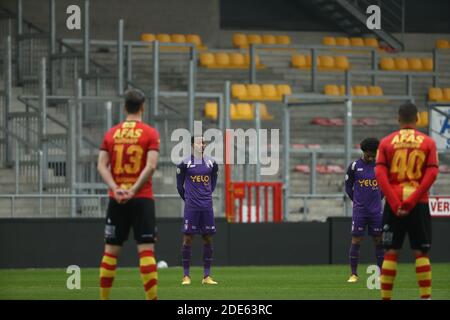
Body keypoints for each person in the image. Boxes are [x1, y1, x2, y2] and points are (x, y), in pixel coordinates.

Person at [97, 89, 160, 300]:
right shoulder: (150, 133)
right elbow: (151, 166)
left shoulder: (111, 133)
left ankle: (104, 298)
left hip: (117, 199)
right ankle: (152, 299)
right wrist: (133, 190)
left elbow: (101, 165)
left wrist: (115, 188)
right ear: (143, 107)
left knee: (110, 253)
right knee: (146, 252)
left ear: (125, 107)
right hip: (141, 198)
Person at [375, 102, 439, 300]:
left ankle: (386, 298)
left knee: (390, 252)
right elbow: (432, 172)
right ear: (418, 119)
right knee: (421, 252)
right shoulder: (428, 142)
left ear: (398, 119)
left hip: (394, 204)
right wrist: (412, 200)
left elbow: (380, 173)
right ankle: (425, 297)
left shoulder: (386, 142)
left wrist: (395, 203)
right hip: (418, 204)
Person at [176, 136, 219, 285]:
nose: (203, 144)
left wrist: (206, 194)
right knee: (188, 238)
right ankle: (186, 276)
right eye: (200, 142)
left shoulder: (211, 163)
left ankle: (206, 276)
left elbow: (213, 181)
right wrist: (188, 199)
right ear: (193, 145)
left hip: (206, 206)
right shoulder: (184, 163)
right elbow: (179, 186)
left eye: (204, 142)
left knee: (208, 238)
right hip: (191, 207)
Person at [345, 138, 384, 283]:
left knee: (378, 240)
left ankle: (382, 274)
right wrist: (356, 200)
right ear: (364, 151)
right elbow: (348, 186)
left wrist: (378, 198)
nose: (372, 156)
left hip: (376, 212)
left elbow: (385, 186)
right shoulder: (355, 166)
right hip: (360, 212)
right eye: (369, 154)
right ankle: (353, 274)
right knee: (356, 240)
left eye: (374, 154)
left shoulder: (380, 166)